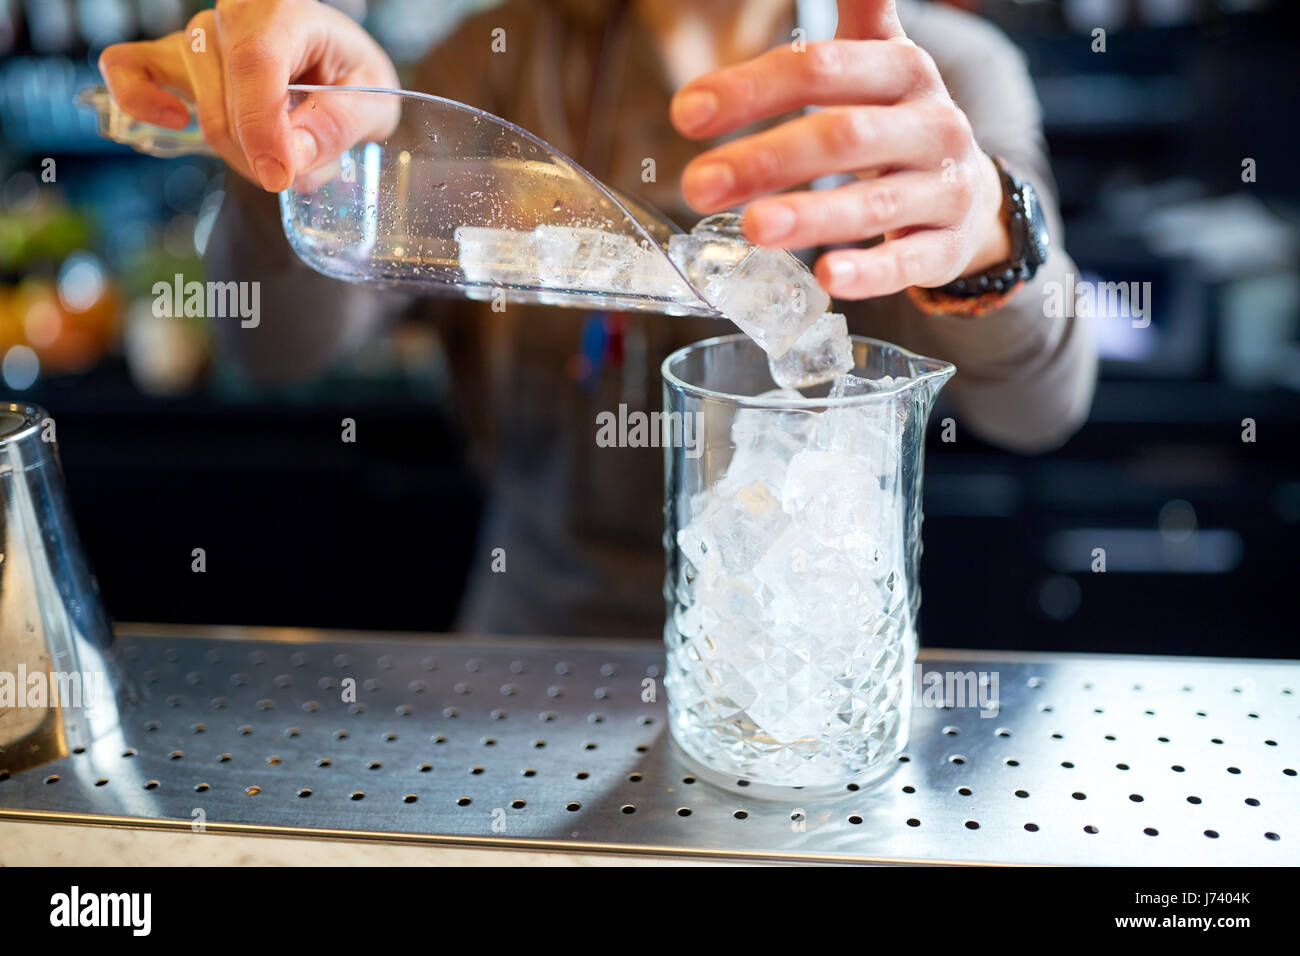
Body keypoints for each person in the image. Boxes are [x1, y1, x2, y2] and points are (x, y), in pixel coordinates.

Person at [99, 0, 1096, 640]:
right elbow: (273, 346)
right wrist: (295, 144)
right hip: (535, 648)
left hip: (810, 657)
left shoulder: (943, 69)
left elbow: (1046, 403)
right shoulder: (495, 55)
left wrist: (992, 234)